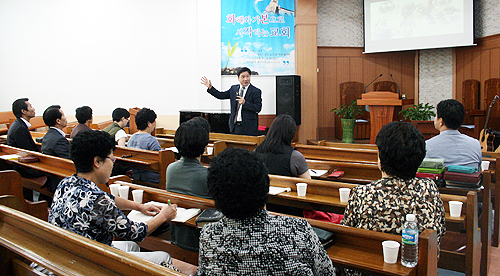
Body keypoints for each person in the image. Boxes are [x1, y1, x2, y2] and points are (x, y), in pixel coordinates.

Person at [197, 147, 335, 275]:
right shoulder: (299, 230)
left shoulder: (209, 236)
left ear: (215, 194)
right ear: (265, 188)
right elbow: (327, 272)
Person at [49, 130, 178, 266]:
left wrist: (139, 206)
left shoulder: (67, 183)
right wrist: (164, 215)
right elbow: (137, 232)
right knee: (163, 257)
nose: (113, 163)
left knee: (131, 246)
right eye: (111, 159)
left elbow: (107, 198)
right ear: (97, 162)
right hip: (87, 263)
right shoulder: (97, 200)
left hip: (67, 251)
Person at [341, 122, 446, 275]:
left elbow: (346, 237)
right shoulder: (430, 190)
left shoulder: (362, 194)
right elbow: (441, 231)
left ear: (380, 158)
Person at [166, 117, 210, 252]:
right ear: (204, 146)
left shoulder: (171, 168)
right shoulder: (207, 175)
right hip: (201, 240)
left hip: (176, 236)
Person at [201, 67, 262, 136]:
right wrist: (210, 88)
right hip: (235, 126)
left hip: (249, 128)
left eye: (247, 76)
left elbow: (258, 108)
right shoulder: (234, 89)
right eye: (243, 77)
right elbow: (221, 95)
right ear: (238, 78)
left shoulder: (256, 91)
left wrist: (245, 103)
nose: (246, 79)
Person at [425, 99, 482, 171]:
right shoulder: (475, 144)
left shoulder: (428, 145)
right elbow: (479, 169)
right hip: (469, 182)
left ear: (441, 121)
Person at [254, 114, 310, 178]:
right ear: (291, 135)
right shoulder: (295, 156)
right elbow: (308, 182)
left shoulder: (256, 151)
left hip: (264, 187)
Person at [127, 108, 161, 183]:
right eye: (154, 122)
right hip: (152, 178)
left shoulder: (131, 139)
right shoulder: (152, 140)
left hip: (136, 176)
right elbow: (161, 161)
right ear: (149, 124)